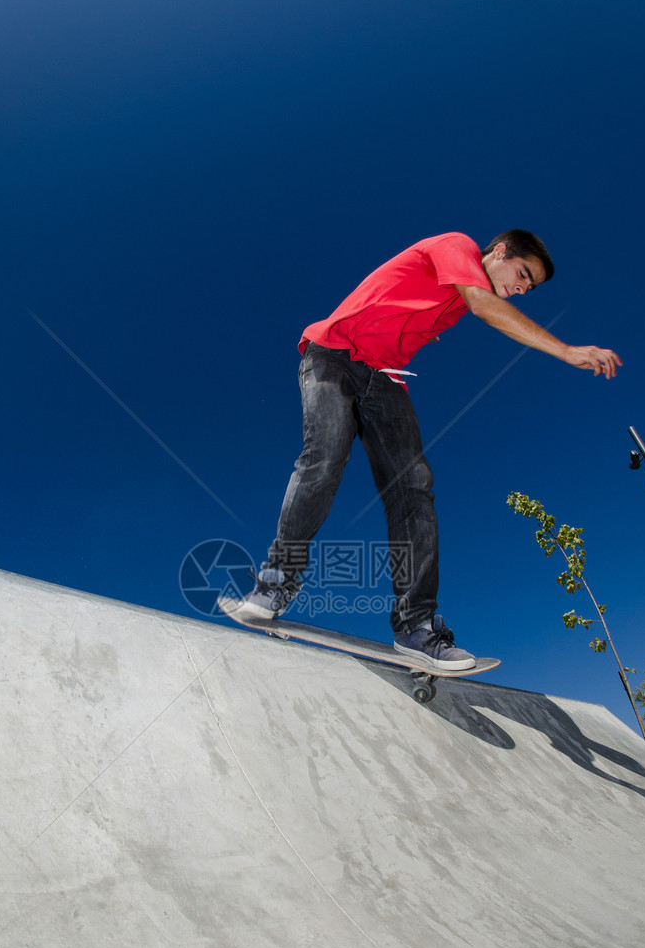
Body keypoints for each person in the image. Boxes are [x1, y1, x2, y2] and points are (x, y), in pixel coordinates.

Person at [232, 229, 621, 671]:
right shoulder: (458, 247)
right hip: (333, 355)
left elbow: (430, 302)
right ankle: (276, 580)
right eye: (522, 274)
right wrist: (566, 351)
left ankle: (416, 626)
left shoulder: (454, 298)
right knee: (325, 457)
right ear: (498, 252)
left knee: (414, 487)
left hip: (385, 377)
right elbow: (484, 304)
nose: (520, 289)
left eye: (527, 288)